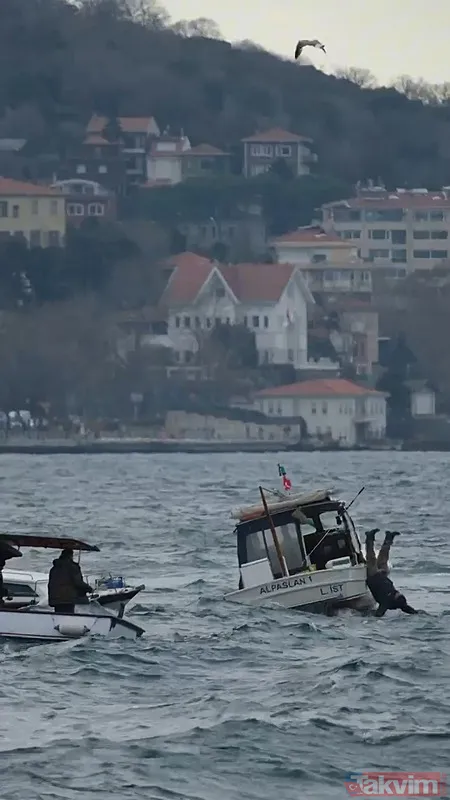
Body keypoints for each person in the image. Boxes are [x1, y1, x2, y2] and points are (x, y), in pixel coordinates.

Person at [365, 528, 418, 617]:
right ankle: (389, 538)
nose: (397, 592)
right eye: (398, 593)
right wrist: (419, 614)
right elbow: (408, 609)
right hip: (382, 575)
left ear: (394, 599)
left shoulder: (386, 602)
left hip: (373, 577)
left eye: (397, 594)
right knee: (384, 557)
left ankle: (369, 538)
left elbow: (378, 614)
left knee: (371, 558)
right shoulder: (399, 602)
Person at [48, 548, 93, 613]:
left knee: (58, 616)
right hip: (67, 598)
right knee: (68, 617)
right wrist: (89, 589)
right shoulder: (72, 567)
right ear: (71, 556)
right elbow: (78, 582)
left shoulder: (54, 568)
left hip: (55, 598)